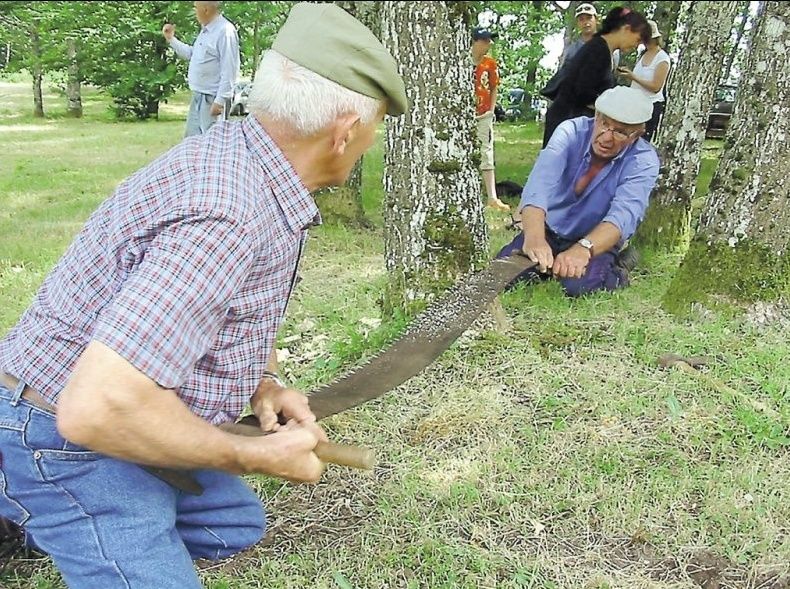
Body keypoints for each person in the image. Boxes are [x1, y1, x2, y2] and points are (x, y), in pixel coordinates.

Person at [0, 3, 407, 588]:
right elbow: (95, 409)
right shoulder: (230, 211)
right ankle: (41, 495)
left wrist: (262, 384)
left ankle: (64, 508)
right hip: (61, 435)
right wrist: (255, 455)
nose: (369, 141)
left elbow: (217, 314)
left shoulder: (247, 159)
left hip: (103, 408)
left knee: (228, 526)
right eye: (373, 128)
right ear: (344, 133)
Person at [497, 86, 659, 297]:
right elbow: (539, 186)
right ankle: (551, 263)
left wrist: (584, 248)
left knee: (577, 287)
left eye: (619, 132)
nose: (606, 137)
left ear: (637, 134)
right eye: (603, 123)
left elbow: (623, 216)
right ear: (596, 115)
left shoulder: (644, 160)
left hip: (596, 239)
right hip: (550, 229)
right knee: (504, 275)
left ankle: (619, 269)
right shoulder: (570, 132)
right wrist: (535, 238)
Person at [542, 7, 650, 148]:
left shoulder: (604, 50)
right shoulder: (598, 50)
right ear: (626, 29)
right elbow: (583, 92)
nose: (636, 45)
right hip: (567, 124)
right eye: (637, 39)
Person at [163, 1, 241, 137]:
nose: (194, 11)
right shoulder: (206, 31)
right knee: (192, 144)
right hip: (198, 96)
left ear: (205, 9)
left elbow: (230, 69)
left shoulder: (225, 31)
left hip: (212, 99)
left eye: (196, 8)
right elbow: (192, 54)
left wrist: (220, 101)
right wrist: (171, 39)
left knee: (212, 145)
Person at [472, 27, 510, 212]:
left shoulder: (490, 64)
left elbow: (494, 87)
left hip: (484, 113)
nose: (489, 44)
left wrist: (491, 110)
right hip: (463, 114)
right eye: (486, 40)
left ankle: (492, 197)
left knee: (486, 152)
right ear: (476, 41)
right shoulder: (460, 62)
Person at [617, 19, 671, 142]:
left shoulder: (662, 58)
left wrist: (633, 77)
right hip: (635, 105)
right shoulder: (643, 55)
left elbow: (656, 87)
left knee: (640, 142)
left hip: (650, 106)